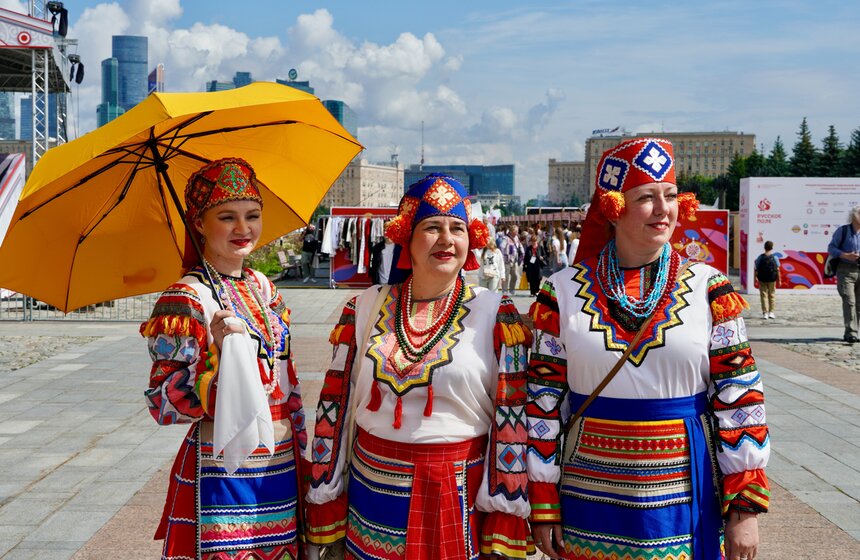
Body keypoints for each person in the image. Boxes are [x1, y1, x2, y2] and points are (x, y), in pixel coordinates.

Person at [527, 138, 770, 560]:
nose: (663, 209)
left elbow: (740, 396)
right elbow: (543, 402)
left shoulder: (709, 288)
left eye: (671, 196)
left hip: (685, 488)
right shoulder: (561, 291)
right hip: (588, 490)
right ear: (613, 208)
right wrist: (544, 499)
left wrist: (744, 507)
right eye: (646, 198)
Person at [305, 173, 534, 559]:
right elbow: (334, 406)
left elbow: (512, 419)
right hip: (371, 498)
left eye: (457, 228)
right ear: (406, 237)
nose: (446, 239)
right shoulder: (364, 307)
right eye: (432, 227)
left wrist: (504, 508)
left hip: (455, 496)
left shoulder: (495, 312)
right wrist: (325, 492)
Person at [141, 158, 307, 560]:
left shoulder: (263, 287)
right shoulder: (185, 299)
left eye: (252, 216)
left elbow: (287, 379)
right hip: (223, 465)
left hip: (280, 461)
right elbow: (163, 402)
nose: (242, 228)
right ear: (199, 223)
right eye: (227, 217)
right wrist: (211, 364)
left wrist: (305, 449)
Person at [827, 206, 860, 343]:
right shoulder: (843, 230)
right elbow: (831, 248)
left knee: (858, 304)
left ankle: (853, 331)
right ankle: (851, 332)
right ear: (854, 216)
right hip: (845, 270)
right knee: (849, 301)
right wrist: (846, 255)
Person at [754, 240, 781, 319]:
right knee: (772, 295)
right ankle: (771, 312)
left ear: (764, 248)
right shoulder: (775, 257)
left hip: (762, 279)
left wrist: (755, 278)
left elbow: (756, 268)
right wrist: (779, 280)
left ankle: (765, 312)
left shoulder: (760, 257)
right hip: (772, 279)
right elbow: (778, 269)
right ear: (772, 248)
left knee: (763, 296)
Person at [500, 225, 525, 294]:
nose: (517, 232)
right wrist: (504, 257)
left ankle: (512, 289)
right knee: (506, 276)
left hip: (514, 261)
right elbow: (501, 247)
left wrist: (522, 253)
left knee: (515, 276)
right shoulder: (506, 238)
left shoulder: (516, 238)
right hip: (507, 261)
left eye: (517, 231)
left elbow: (520, 246)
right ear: (511, 231)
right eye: (516, 231)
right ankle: (504, 290)